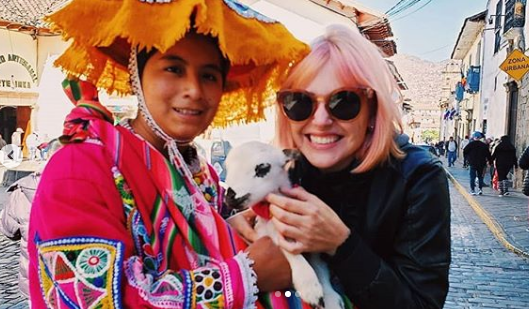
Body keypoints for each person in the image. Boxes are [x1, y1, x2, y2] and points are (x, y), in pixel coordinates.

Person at [28, 0, 310, 308]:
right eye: (173, 69)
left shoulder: (200, 172)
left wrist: (231, 228)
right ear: (138, 75)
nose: (194, 90)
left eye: (209, 75)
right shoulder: (79, 168)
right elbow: (89, 299)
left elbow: (195, 247)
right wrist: (245, 276)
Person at [232, 25, 451, 308]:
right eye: (300, 102)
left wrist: (342, 245)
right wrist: (242, 223)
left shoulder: (418, 177)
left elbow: (422, 304)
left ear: (373, 109)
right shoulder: (291, 169)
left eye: (343, 101)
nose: (320, 120)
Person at [0, 140, 62, 300]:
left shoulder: (23, 190)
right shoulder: (90, 187)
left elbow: (7, 230)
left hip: (35, 281)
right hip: (76, 281)